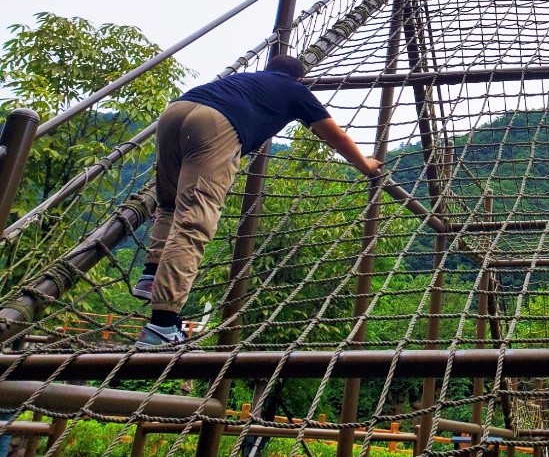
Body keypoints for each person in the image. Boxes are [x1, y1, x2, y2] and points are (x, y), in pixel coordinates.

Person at [133, 54, 382, 346]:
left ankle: (151, 276)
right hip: (216, 124)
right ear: (299, 78)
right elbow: (337, 138)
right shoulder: (296, 90)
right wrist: (366, 166)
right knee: (194, 221)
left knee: (170, 204)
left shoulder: (242, 79)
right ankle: (162, 325)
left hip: (176, 110)